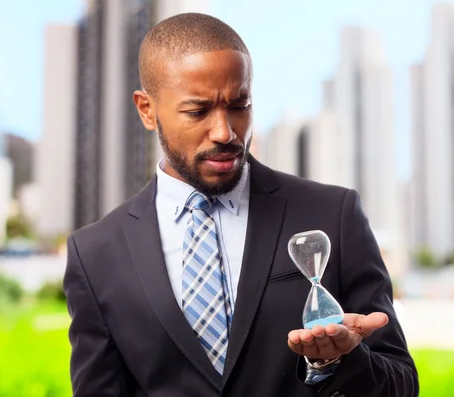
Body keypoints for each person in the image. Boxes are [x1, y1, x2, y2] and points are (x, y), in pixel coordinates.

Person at [63, 12, 419, 397]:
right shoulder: (95, 254)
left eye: (239, 104)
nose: (225, 132)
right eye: (197, 111)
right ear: (147, 109)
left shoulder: (333, 214)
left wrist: (340, 361)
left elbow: (402, 385)